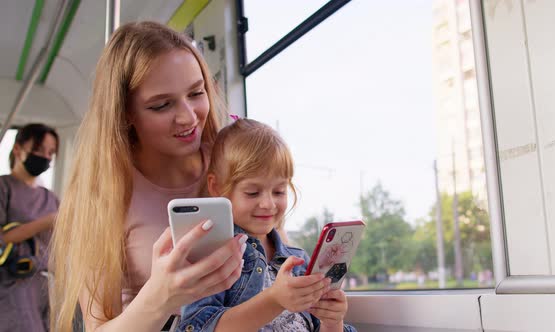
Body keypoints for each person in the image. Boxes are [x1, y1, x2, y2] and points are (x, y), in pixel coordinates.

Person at [49, 21, 246, 332]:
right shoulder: (104, 195)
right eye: (161, 105)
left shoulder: (234, 161)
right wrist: (161, 297)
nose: (188, 116)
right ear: (125, 113)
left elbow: (279, 251)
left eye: (196, 93)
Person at [178, 118, 356, 332]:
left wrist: (332, 322)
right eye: (253, 192)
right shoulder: (213, 258)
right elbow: (197, 327)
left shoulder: (298, 261)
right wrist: (274, 300)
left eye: (279, 191)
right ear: (216, 187)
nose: (268, 204)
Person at [0, 123, 60, 331]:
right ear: (17, 149)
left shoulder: (50, 198)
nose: (45, 156)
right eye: (38, 149)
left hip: (43, 287)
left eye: (50, 152)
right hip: (12, 285)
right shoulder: (4, 188)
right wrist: (44, 222)